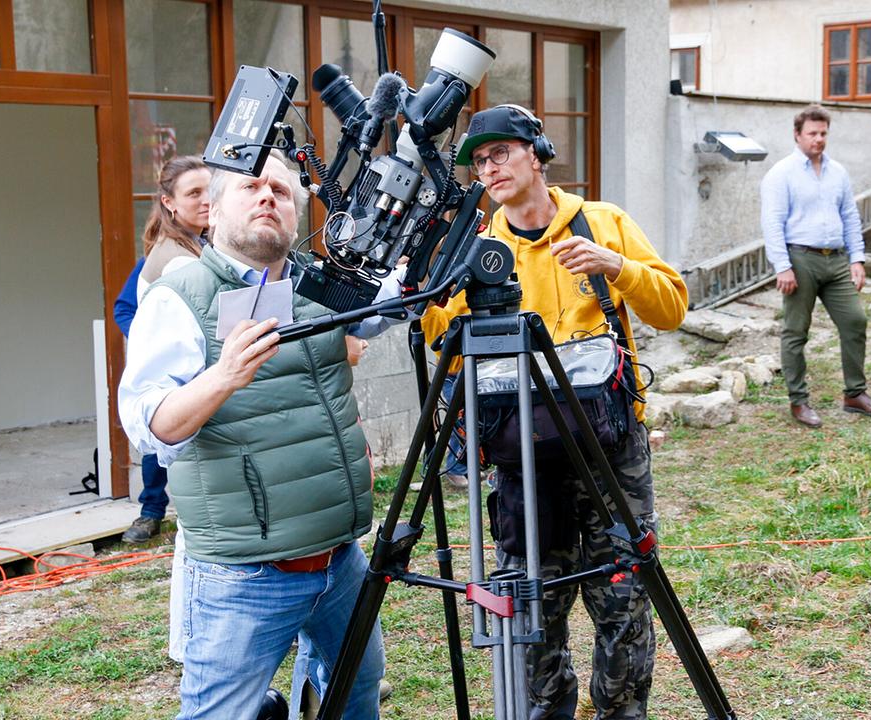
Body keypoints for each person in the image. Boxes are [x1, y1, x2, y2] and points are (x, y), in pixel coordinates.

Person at [422, 104, 687, 720]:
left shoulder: (601, 223)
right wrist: (429, 294)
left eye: (501, 153)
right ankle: (545, 709)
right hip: (520, 452)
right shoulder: (476, 249)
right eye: (479, 161)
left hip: (609, 448)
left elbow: (673, 306)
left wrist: (617, 267)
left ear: (536, 154)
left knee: (621, 590)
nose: (490, 168)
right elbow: (440, 343)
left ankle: (621, 709)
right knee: (529, 598)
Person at [119, 151, 385, 719]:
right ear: (211, 211)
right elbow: (148, 425)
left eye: (282, 192)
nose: (269, 196)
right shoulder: (178, 296)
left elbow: (390, 308)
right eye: (251, 188)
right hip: (246, 575)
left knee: (355, 696)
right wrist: (224, 377)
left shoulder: (320, 288)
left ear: (296, 217)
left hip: (342, 559)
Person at [760, 104, 871, 429]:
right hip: (800, 259)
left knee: (855, 321)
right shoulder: (782, 173)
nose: (819, 139)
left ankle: (855, 394)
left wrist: (857, 259)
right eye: (812, 133)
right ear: (797, 135)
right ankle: (798, 401)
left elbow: (849, 215)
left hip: (836, 259)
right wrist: (783, 266)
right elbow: (772, 223)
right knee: (796, 332)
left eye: (823, 133)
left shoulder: (838, 172)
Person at [118, 155, 212, 545]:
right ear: (169, 202)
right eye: (194, 193)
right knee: (165, 434)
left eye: (211, 189)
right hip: (172, 368)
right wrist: (146, 337)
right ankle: (152, 510)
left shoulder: (199, 243)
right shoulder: (172, 258)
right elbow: (125, 307)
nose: (207, 199)